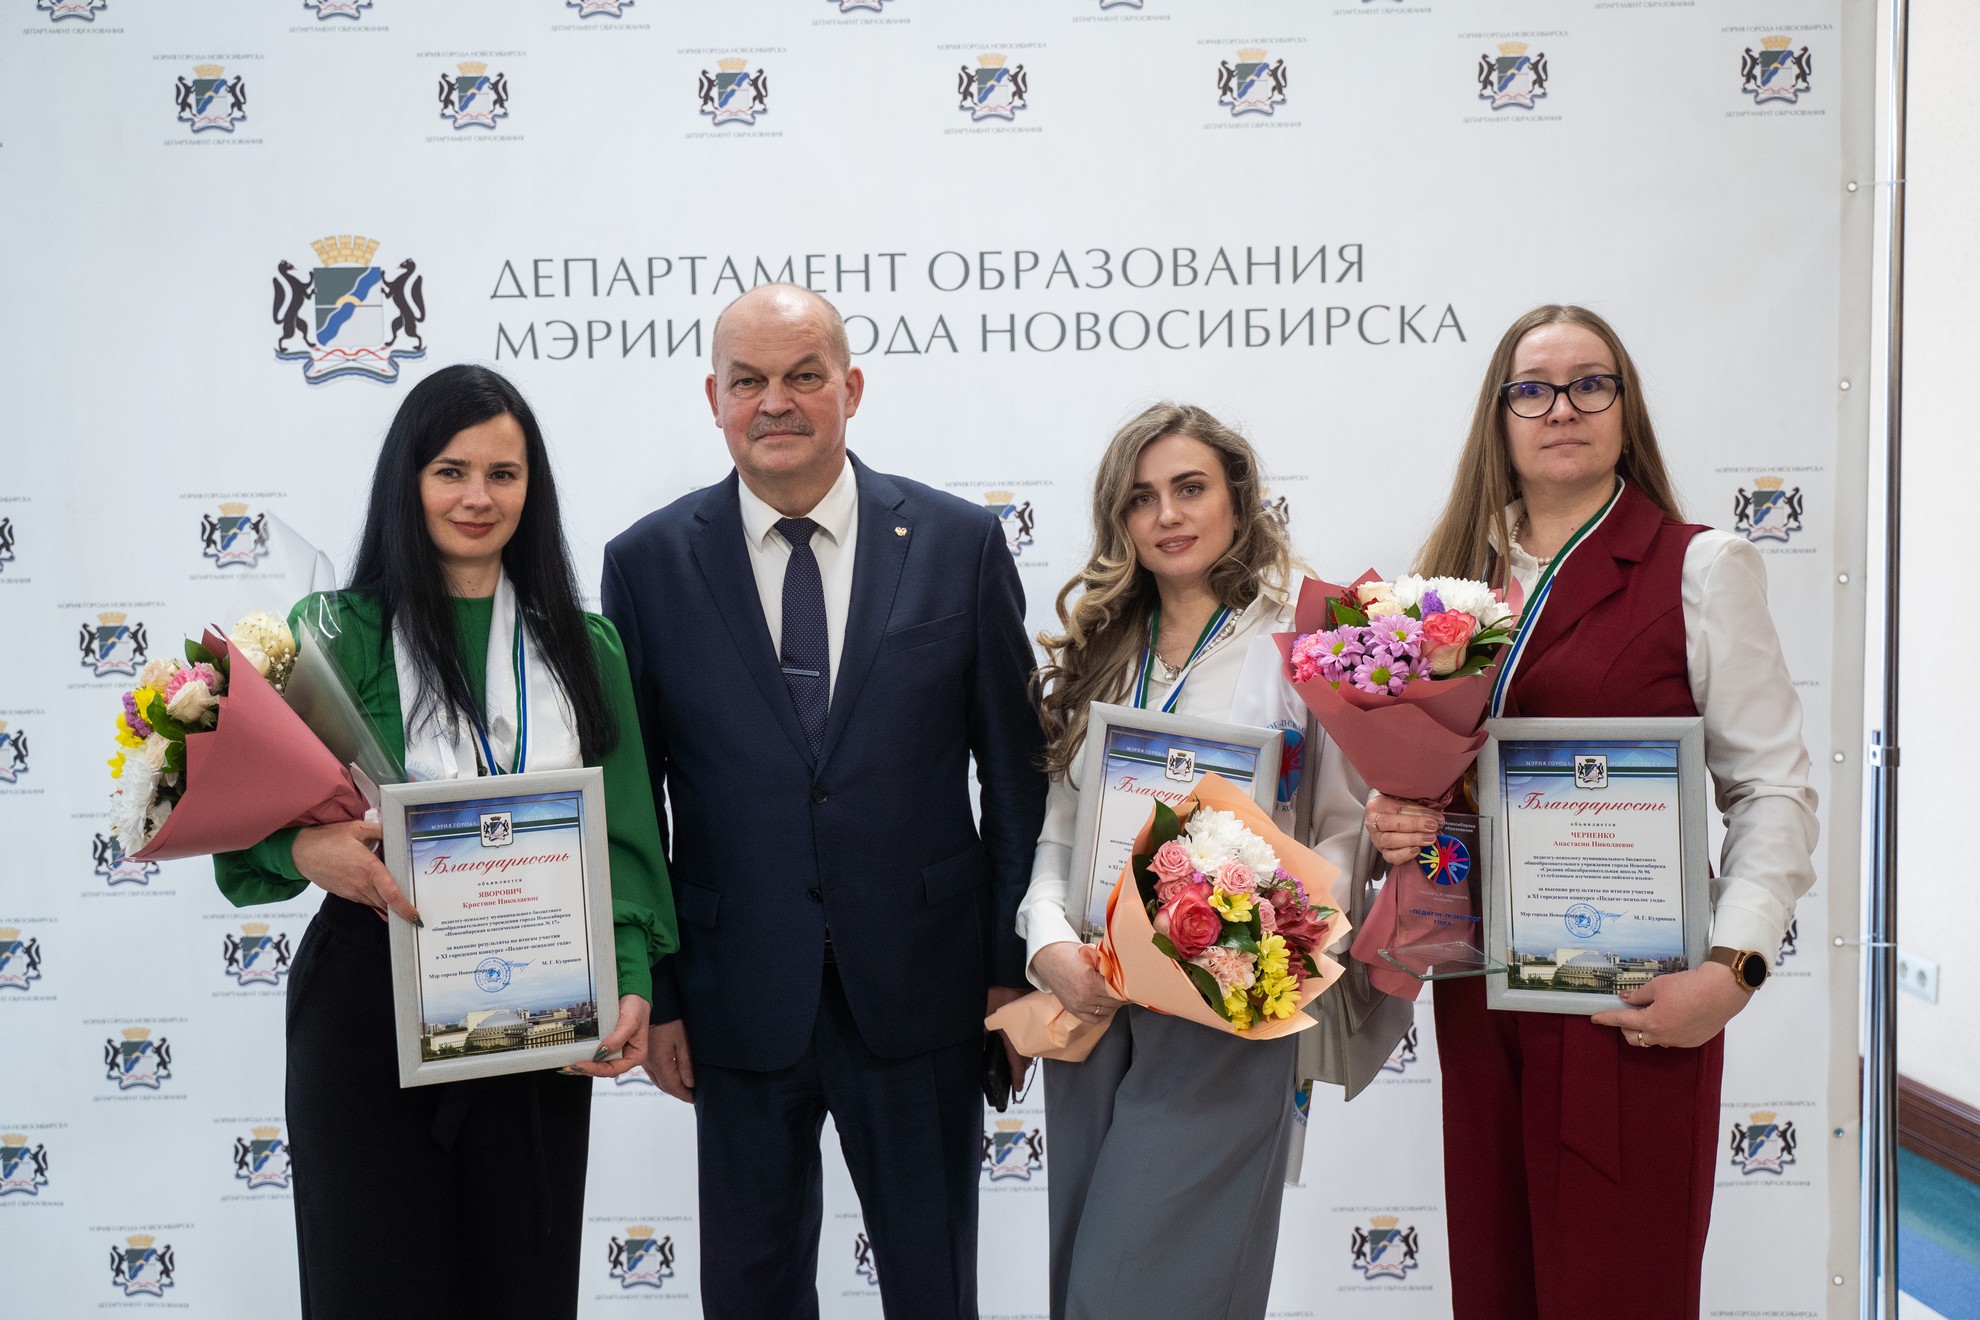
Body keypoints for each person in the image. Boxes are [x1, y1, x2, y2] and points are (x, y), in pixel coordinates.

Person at [601, 284, 1046, 1320]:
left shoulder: (958, 542)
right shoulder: (647, 564)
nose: (776, 402)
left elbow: (1015, 770)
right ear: (714, 398)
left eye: (804, 376)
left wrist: (1008, 966)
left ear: (851, 387)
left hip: (928, 990)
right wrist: (660, 991)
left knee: (934, 1287)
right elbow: (634, 805)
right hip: (735, 994)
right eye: (748, 380)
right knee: (749, 1292)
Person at [1364, 305, 1819, 1319]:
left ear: (1624, 407)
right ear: (1500, 416)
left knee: (1620, 1292)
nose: (1561, 408)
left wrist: (1734, 969)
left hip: (1635, 1002)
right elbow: (1419, 781)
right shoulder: (1441, 591)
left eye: (1590, 383)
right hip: (1481, 992)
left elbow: (1773, 791)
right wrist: (1393, 822)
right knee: (1497, 1289)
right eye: (1532, 389)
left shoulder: (1700, 567)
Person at [214, 364, 676, 1320]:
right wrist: (306, 854)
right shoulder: (332, 634)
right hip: (368, 1004)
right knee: (371, 1287)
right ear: (408, 480)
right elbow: (247, 819)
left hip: (541, 1009)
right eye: (450, 471)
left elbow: (627, 838)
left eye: (503, 474)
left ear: (531, 490)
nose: (477, 498)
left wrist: (630, 980)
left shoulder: (585, 645)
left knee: (524, 1289)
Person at [1018, 403, 1369, 1320]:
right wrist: (1048, 943)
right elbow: (1059, 836)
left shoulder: (1304, 638)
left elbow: (1344, 831)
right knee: (1083, 1283)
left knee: (1140, 1290)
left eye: (1190, 488)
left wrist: (1275, 943)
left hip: (1226, 1012)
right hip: (1091, 1005)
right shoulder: (1101, 647)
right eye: (1141, 498)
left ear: (1239, 499)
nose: (1167, 515)